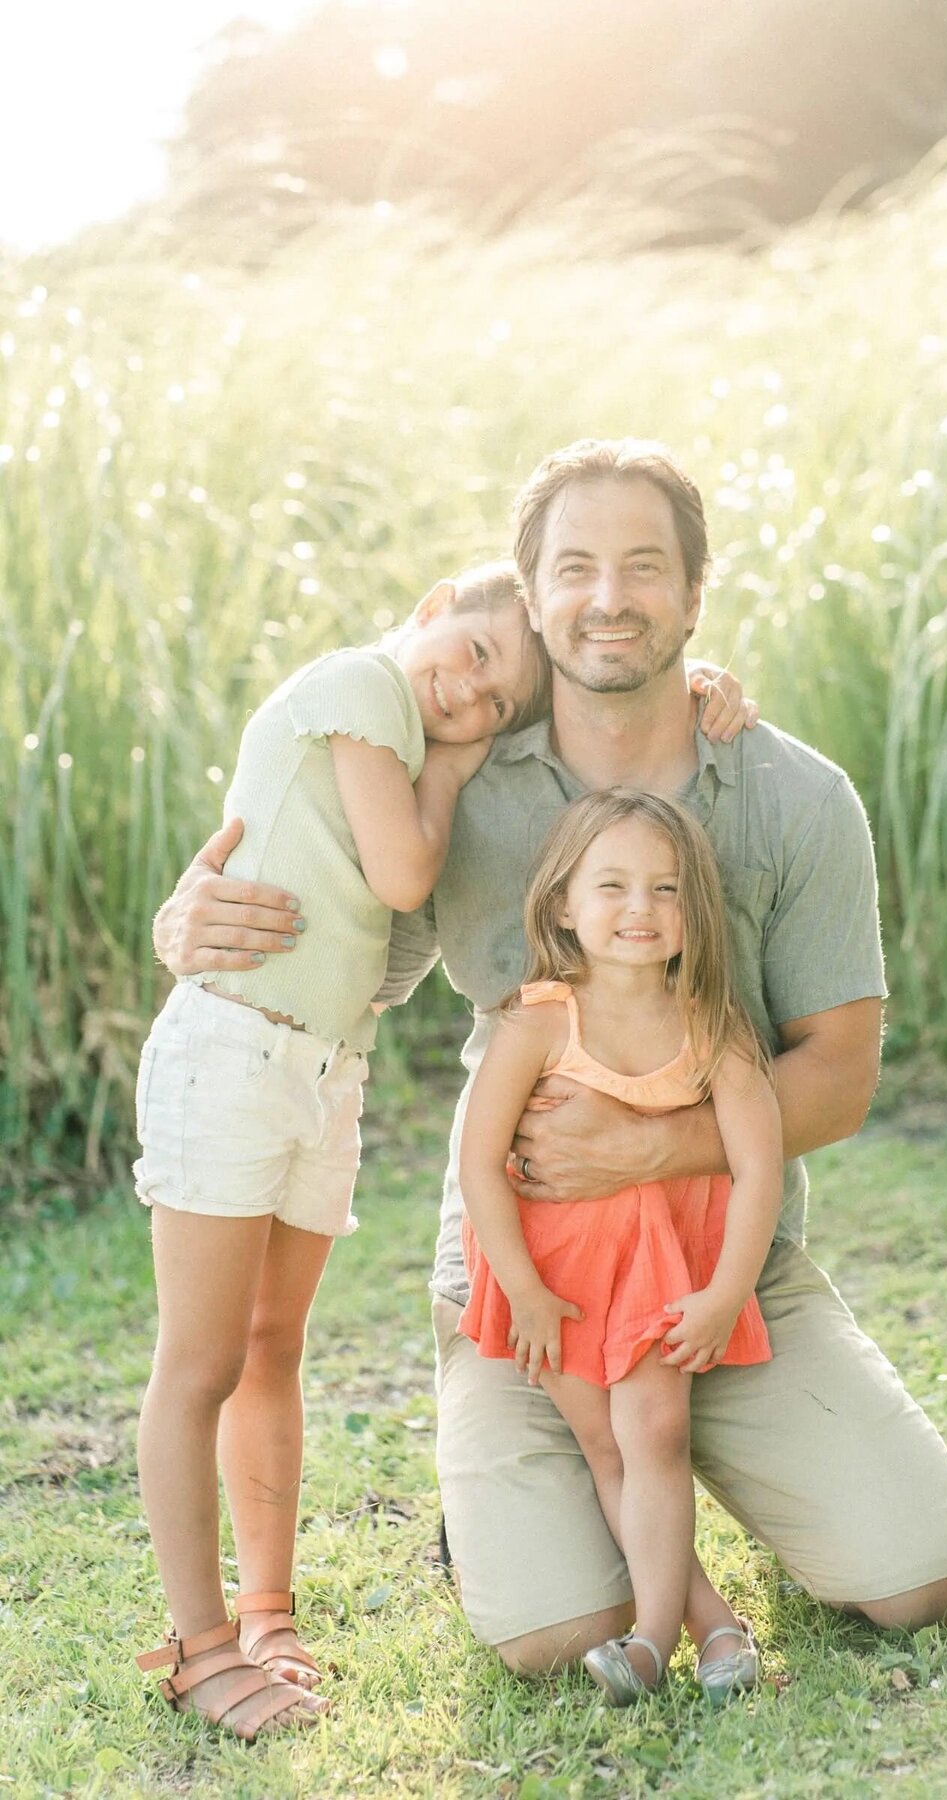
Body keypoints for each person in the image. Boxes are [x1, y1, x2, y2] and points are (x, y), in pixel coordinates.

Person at [153, 437, 947, 1684]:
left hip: (725, 1274)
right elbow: (344, 951)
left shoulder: (795, 797)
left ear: (695, 597)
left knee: (922, 1581)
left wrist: (655, 1144)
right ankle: (530, 1482)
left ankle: (710, 1449)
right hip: (530, 1285)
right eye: (576, 569)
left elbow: (845, 1076)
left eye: (646, 568)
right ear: (529, 598)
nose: (609, 598)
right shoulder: (464, 781)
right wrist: (190, 926)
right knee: (551, 1635)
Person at [133, 562, 551, 1742]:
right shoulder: (363, 686)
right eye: (471, 655)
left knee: (273, 1347)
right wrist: (460, 764)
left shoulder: (405, 747)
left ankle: (265, 1616)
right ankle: (198, 1648)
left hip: (324, 1070)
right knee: (200, 1360)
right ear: (432, 606)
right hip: (233, 1057)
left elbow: (392, 938)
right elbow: (404, 873)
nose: (467, 698)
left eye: (497, 702)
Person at [459, 789, 782, 1704]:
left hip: (657, 1269)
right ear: (563, 902)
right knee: (605, 1442)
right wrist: (520, 1289)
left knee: (656, 1431)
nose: (640, 909)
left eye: (666, 889)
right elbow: (480, 1166)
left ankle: (647, 1640)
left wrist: (724, 1293)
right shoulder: (539, 1021)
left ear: (694, 910)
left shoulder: (712, 1023)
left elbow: (759, 1168)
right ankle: (709, 1622)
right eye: (612, 886)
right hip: (550, 1272)